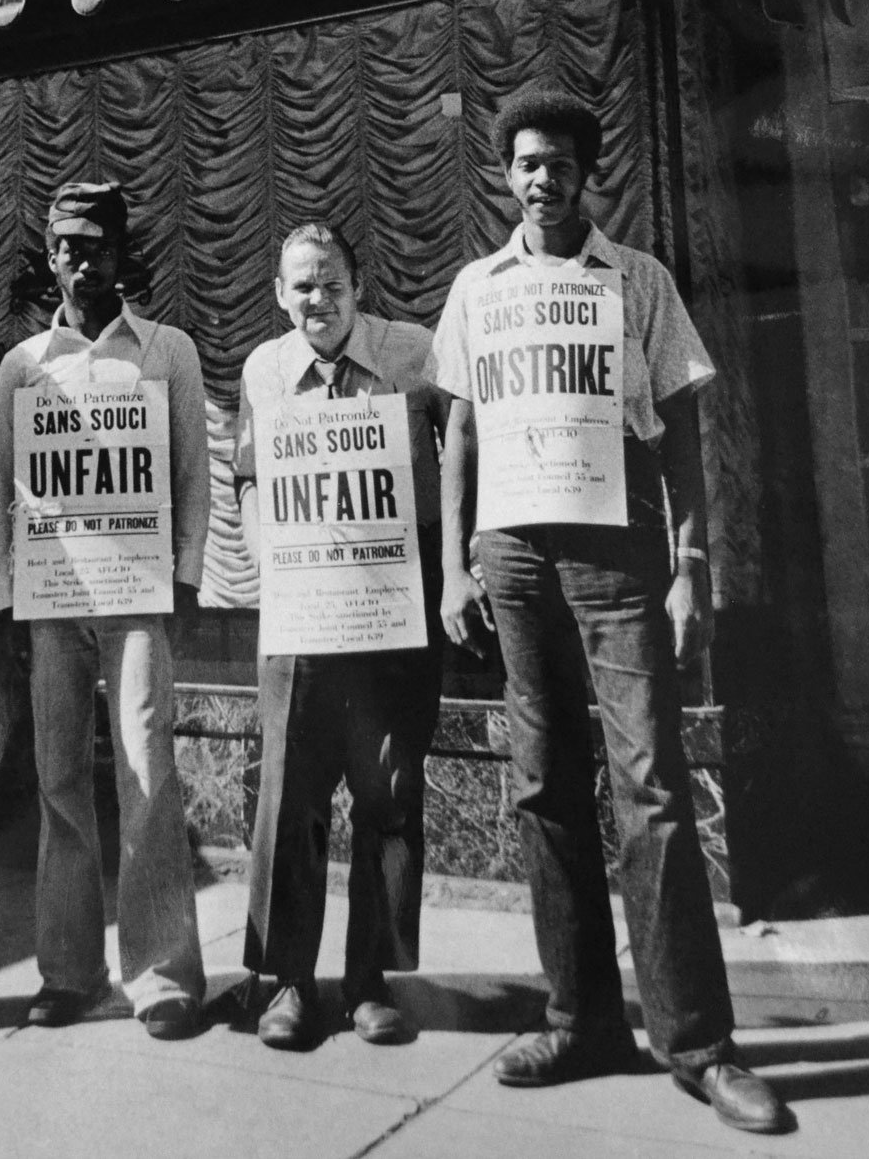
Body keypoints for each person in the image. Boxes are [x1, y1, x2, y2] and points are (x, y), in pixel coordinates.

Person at [430, 88, 789, 1136]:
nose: (541, 179)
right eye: (525, 164)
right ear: (507, 176)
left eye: (558, 163)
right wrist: (455, 568)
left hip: (616, 549)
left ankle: (698, 1046)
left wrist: (689, 562)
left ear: (589, 174)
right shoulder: (475, 289)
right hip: (512, 556)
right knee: (544, 786)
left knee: (651, 784)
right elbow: (458, 436)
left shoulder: (636, 282)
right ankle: (580, 1016)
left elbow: (680, 431)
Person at [0, 181, 209, 1041]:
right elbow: (2, 487)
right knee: (58, 781)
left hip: (136, 597)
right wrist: (4, 597)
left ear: (122, 254)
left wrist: (185, 579)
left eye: (99, 246)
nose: (84, 261)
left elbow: (194, 474)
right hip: (52, 602)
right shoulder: (21, 366)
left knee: (147, 769)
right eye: (69, 247)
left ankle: (161, 974)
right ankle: (66, 971)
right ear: (50, 257)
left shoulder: (166, 351)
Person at [235, 222, 452, 1050]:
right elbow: (250, 479)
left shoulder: (412, 352)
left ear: (358, 287)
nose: (315, 300)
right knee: (289, 791)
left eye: (330, 283)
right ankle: (291, 979)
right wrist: (269, 560)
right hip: (301, 606)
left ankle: (369, 980)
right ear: (278, 295)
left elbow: (457, 446)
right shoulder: (264, 367)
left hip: (395, 604)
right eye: (300, 287)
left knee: (388, 789)